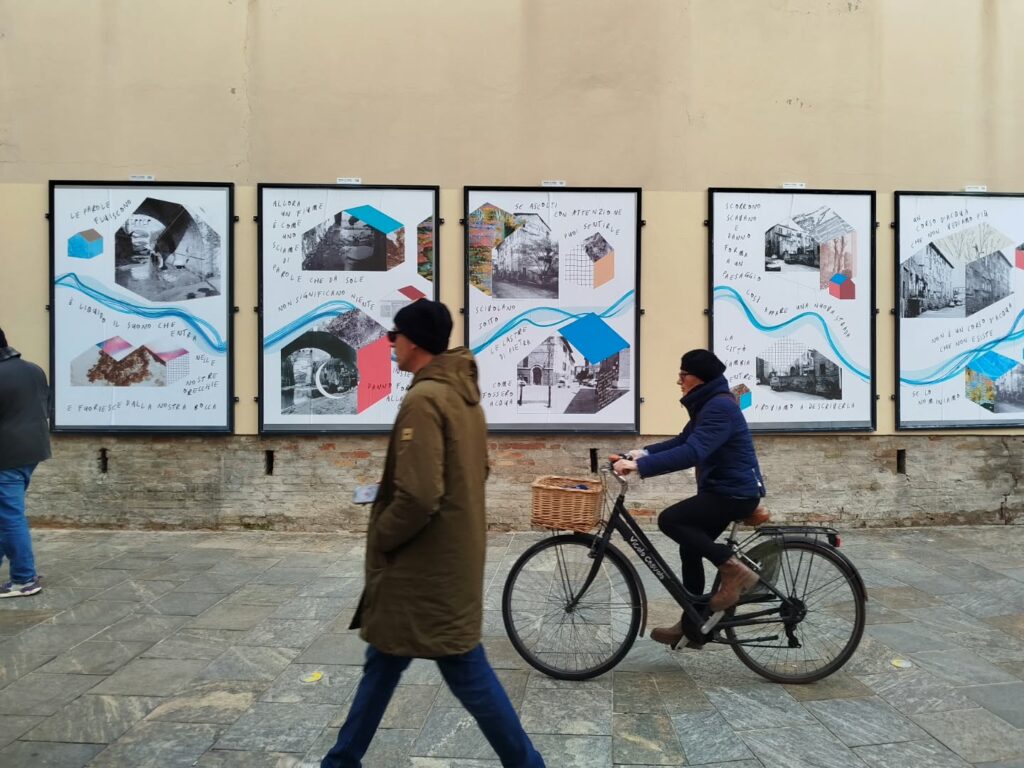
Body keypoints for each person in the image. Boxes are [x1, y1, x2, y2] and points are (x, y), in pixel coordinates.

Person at [321, 300, 544, 768]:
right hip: (445, 559)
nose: (390, 344)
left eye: (394, 336)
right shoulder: (462, 394)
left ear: (414, 342)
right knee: (385, 660)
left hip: (424, 568)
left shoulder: (424, 399)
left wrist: (382, 534)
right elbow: (475, 470)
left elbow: (420, 496)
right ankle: (341, 761)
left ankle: (528, 764)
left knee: (463, 668)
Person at [611, 348, 766, 648]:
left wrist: (640, 468)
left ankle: (733, 569)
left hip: (734, 493)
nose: (678, 381)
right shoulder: (708, 404)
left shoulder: (720, 407)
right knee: (690, 548)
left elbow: (694, 452)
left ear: (700, 378)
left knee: (671, 520)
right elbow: (684, 441)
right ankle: (694, 624)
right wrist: (639, 454)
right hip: (723, 490)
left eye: (683, 375)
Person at [0, 326, 51, 598]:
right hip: (33, 451)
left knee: (10, 518)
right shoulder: (34, 369)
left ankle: (23, 578)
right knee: (5, 515)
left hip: (6, 456)